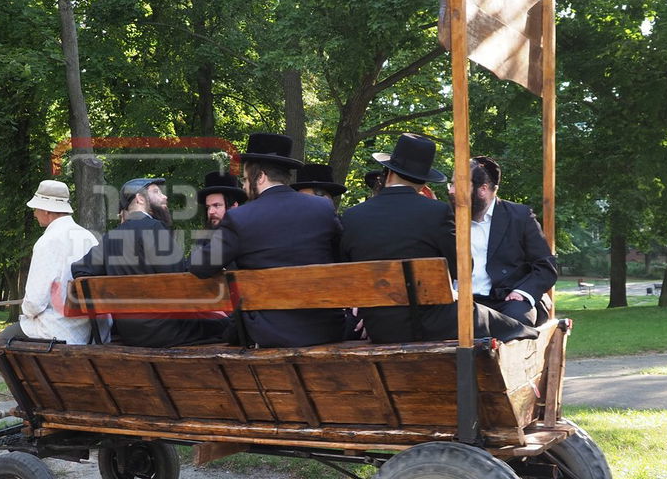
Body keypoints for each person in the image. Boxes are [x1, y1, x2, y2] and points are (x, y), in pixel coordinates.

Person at [339, 133, 535, 345]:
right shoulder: (437, 211)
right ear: (424, 182)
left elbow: (347, 272)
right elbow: (463, 267)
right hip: (434, 325)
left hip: (380, 328)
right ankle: (529, 335)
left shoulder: (352, 216)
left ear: (387, 174)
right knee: (507, 325)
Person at [190, 132, 344, 347]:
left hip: (270, 334)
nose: (244, 186)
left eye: (245, 179)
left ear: (260, 177)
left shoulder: (239, 218)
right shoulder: (323, 208)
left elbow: (199, 267)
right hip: (327, 329)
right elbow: (342, 258)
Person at [72, 178, 227, 346]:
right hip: (168, 331)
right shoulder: (154, 228)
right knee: (229, 325)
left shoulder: (110, 238)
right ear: (140, 198)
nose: (165, 197)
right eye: (156, 192)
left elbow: (80, 270)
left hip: (129, 333)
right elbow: (182, 278)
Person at [468, 156, 558, 326]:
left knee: (514, 324)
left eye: (458, 185)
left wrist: (522, 292)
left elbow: (546, 266)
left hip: (507, 300)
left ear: (482, 190)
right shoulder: (450, 220)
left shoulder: (519, 216)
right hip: (464, 302)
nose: (451, 191)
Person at [13, 180, 99, 343]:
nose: (34, 213)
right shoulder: (89, 237)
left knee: (1, 343)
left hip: (57, 329)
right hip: (89, 330)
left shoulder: (47, 241)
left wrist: (26, 310)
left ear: (46, 210)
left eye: (36, 208)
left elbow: (34, 303)